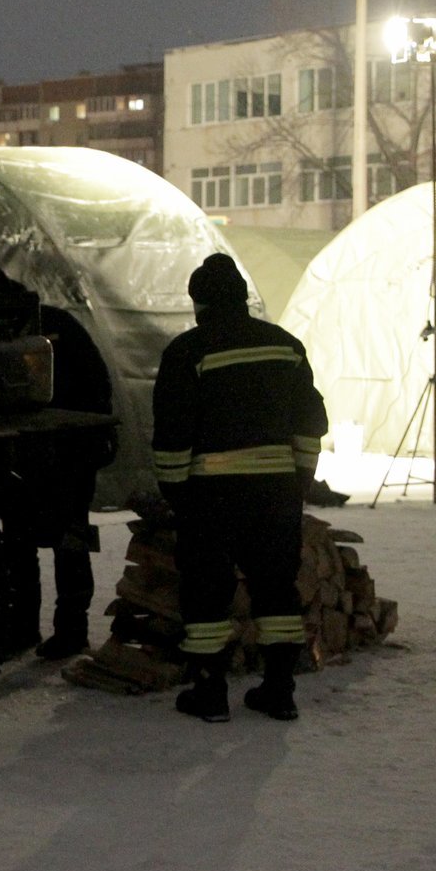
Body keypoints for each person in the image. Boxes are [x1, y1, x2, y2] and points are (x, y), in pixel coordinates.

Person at [153, 253, 327, 722]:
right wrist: (300, 480)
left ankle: (210, 695)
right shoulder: (285, 346)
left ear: (199, 302)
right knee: (276, 589)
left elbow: (172, 433)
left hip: (210, 497)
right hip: (276, 495)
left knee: (207, 591)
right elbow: (310, 420)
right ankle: (280, 691)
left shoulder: (187, 352)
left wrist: (175, 494)